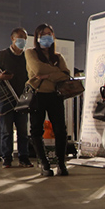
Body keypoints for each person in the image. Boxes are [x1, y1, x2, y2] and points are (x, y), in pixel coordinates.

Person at [25, 23, 70, 176]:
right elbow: (37, 70)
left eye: (49, 33)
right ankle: (44, 164)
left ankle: (61, 164)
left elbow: (66, 75)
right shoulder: (30, 53)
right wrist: (55, 73)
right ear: (37, 37)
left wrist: (48, 75)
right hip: (37, 95)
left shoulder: (57, 57)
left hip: (55, 96)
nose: (47, 36)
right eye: (43, 34)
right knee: (36, 130)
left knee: (60, 130)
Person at [0, 27, 34, 168]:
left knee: (23, 131)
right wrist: (0, 77)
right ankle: (7, 158)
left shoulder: (28, 56)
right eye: (20, 37)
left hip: (23, 99)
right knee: (6, 131)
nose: (23, 41)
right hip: (5, 99)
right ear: (12, 38)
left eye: (25, 38)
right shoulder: (1, 55)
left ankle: (24, 157)